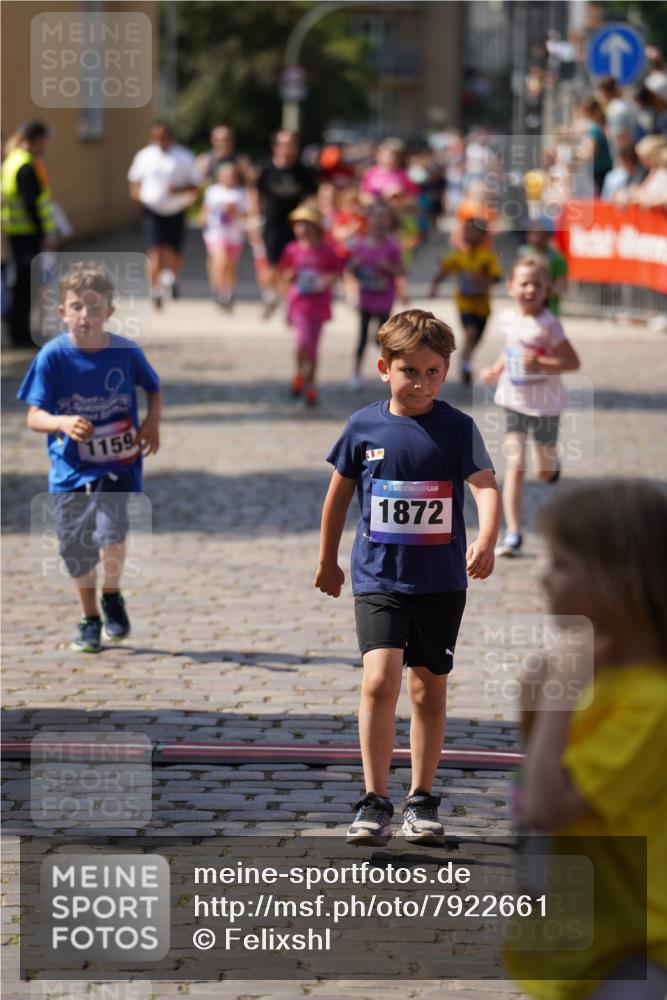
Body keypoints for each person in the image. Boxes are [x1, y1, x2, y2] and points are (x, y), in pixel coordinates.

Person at [315, 309, 500, 846]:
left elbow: (484, 485)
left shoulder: (458, 427)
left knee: (427, 691)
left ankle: (422, 798)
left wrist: (486, 536)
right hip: (378, 578)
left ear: (446, 372)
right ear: (383, 368)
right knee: (379, 679)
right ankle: (374, 800)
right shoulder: (363, 426)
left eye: (432, 372)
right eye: (409, 371)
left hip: (441, 582)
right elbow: (338, 496)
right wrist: (329, 560)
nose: (420, 383)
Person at [506, 479, 667, 1000]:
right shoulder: (601, 675)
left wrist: (555, 698)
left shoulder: (652, 703)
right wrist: (539, 699)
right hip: (592, 930)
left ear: (621, 578)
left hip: (637, 949)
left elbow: (548, 808)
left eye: (561, 565)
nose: (544, 581)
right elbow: (536, 782)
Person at [17, 263, 162, 652]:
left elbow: (154, 386)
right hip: (69, 470)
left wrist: (152, 424)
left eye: (94, 307)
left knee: (111, 533)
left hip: (118, 463)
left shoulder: (125, 352)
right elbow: (34, 415)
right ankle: (90, 617)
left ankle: (111, 594)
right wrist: (61, 422)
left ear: (109, 312)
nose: (85, 315)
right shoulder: (52, 357)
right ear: (62, 311)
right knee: (74, 546)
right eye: (76, 306)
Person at [480, 257, 580, 558]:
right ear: (511, 288)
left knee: (543, 471)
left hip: (546, 404)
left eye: (537, 284)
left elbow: (572, 362)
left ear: (547, 289)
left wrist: (542, 363)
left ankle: (552, 468)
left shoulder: (550, 324)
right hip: (514, 400)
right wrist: (496, 369)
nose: (530, 289)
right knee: (515, 466)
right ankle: (513, 533)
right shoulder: (511, 319)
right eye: (524, 283)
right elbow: (511, 348)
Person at [127, 121, 201, 308]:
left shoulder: (183, 156)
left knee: (175, 251)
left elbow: (195, 184)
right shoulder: (144, 156)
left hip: (176, 209)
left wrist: (179, 190)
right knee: (155, 250)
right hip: (153, 209)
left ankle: (172, 278)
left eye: (164, 137)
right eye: (157, 138)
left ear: (171, 137)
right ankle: (156, 289)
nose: (161, 141)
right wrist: (136, 197)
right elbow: (135, 180)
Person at [278, 204, 342, 407]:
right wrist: (289, 277)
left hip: (318, 304)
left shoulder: (327, 251)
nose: (302, 229)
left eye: (306, 224)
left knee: (313, 347)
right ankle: (299, 374)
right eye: (298, 224)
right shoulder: (292, 249)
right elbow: (283, 273)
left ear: (316, 227)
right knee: (301, 344)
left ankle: (311, 385)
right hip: (298, 303)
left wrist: (327, 279)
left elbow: (337, 271)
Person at [1, 120, 56, 347]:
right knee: (25, 284)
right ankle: (20, 333)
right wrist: (44, 233)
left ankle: (18, 329)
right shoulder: (25, 164)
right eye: (43, 139)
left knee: (22, 283)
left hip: (17, 232)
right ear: (34, 140)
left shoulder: (13, 160)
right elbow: (30, 203)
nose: (45, 145)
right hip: (26, 233)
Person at [429, 217, 502, 384]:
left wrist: (484, 280)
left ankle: (466, 358)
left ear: (483, 235)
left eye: (472, 230)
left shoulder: (487, 257)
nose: (467, 233)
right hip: (464, 304)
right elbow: (443, 271)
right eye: (465, 230)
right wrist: (434, 287)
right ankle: (466, 364)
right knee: (470, 333)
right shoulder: (458, 256)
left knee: (476, 339)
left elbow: (497, 277)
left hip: (483, 307)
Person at [255, 130, 317, 318]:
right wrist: (253, 220)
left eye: (292, 144)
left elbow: (311, 198)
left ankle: (285, 300)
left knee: (291, 265)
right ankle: (271, 294)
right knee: (272, 263)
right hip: (272, 224)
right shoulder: (266, 170)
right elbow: (255, 195)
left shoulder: (304, 171)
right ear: (275, 147)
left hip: (298, 227)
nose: (288, 148)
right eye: (284, 144)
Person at [347, 201, 403, 391]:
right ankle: (356, 373)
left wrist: (388, 267)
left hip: (384, 298)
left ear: (389, 221)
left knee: (383, 337)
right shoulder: (360, 244)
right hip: (365, 297)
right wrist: (354, 267)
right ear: (369, 219)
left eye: (383, 217)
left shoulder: (392, 246)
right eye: (376, 216)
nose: (379, 221)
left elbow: (401, 270)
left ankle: (389, 372)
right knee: (361, 335)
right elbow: (351, 271)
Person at [200, 162, 248, 310]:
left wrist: (235, 211)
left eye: (232, 175)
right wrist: (203, 220)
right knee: (220, 261)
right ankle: (218, 291)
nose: (229, 178)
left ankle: (229, 291)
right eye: (225, 175)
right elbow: (206, 210)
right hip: (216, 231)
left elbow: (248, 213)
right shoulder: (213, 191)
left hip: (234, 233)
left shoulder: (242, 192)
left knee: (230, 266)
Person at [517, 217, 568, 315]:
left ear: (548, 235)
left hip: (548, 310)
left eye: (538, 233)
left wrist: (543, 291)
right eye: (530, 232)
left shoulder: (556, 258)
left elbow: (562, 287)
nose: (533, 236)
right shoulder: (523, 253)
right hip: (526, 310)